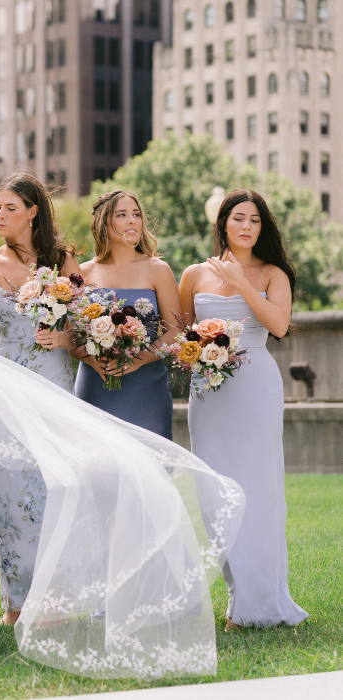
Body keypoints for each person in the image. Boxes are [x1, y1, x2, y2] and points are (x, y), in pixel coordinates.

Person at [180, 189, 308, 630]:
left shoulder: (274, 273)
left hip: (256, 388)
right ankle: (237, 595)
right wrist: (195, 353)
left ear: (263, 227)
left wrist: (240, 284)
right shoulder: (194, 275)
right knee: (215, 495)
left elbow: (278, 325)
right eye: (239, 218)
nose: (247, 227)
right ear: (223, 224)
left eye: (255, 220)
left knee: (258, 491)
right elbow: (182, 336)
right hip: (209, 395)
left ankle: (256, 603)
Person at [0, 173, 80, 626]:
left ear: (33, 211)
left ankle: (57, 597)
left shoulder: (64, 261)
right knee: (5, 488)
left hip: (51, 380)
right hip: (2, 380)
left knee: (51, 486)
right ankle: (16, 601)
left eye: (10, 208)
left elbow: (85, 323)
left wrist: (65, 336)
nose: (0, 216)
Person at [72, 190, 180, 439]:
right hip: (95, 385)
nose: (132, 220)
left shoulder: (158, 270)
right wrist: (91, 360)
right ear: (103, 222)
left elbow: (175, 332)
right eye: (122, 215)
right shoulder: (83, 272)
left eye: (136, 214)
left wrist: (138, 359)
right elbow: (70, 335)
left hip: (147, 388)